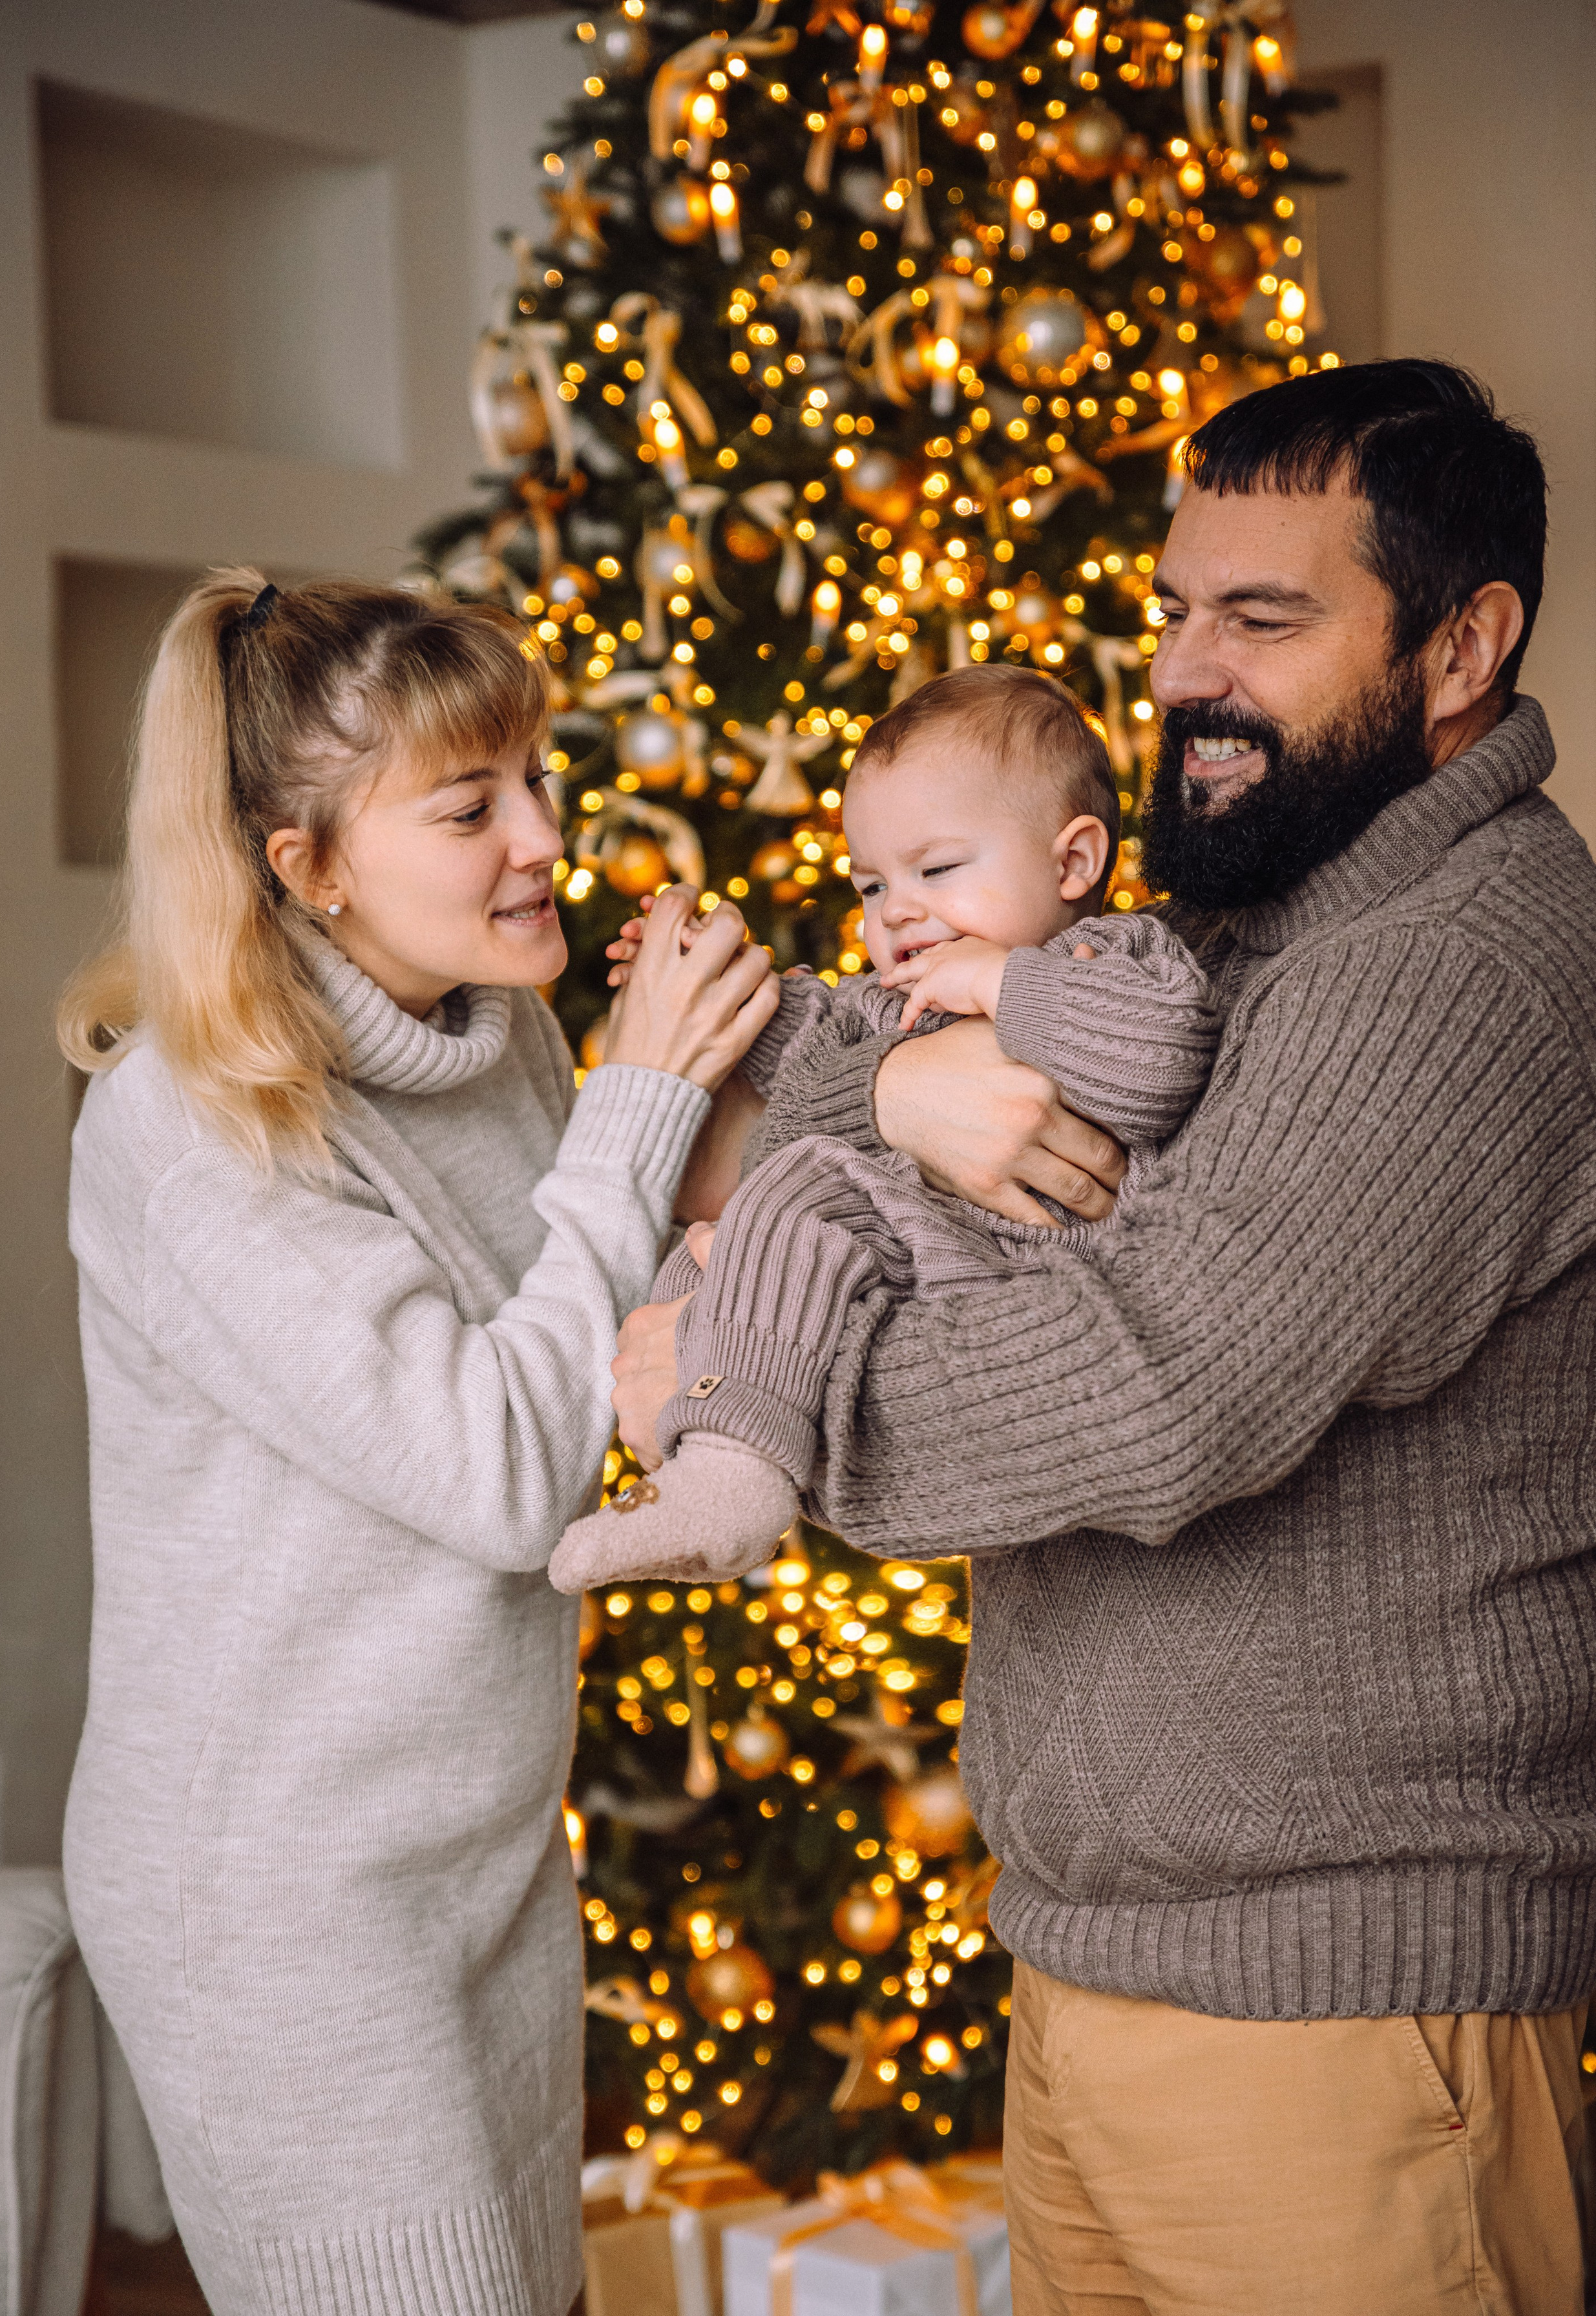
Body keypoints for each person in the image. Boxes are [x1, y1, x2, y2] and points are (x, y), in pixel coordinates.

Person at [607, 361, 1596, 2313]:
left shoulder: (1452, 965)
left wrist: (749, 1407)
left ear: (1463, 643)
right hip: (1102, 1972)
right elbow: (822, 1091)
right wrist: (892, 1105)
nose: (1180, 676)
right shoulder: (1248, 925)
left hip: (1340, 2034)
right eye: (1170, 611)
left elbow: (1163, 1383)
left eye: (1264, 618)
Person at [57, 572, 779, 2316]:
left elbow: (615, 1305)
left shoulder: (503, 1026)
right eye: (469, 808)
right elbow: (496, 1473)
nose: (544, 835)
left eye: (536, 774)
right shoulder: (189, 1124)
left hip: (486, 1854)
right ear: (302, 862)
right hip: (285, 1907)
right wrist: (636, 1115)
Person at [549, 666, 1219, 1587]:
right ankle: (701, 1473)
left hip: (1025, 1268)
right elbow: (811, 1048)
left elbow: (1160, 1061)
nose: (896, 910)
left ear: (1073, 863)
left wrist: (998, 985)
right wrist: (722, 980)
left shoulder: (1113, 958)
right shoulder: (894, 993)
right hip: (898, 1264)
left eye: (937, 870)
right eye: (871, 884)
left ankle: (736, 1478)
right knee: (700, 1254)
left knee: (794, 1189)